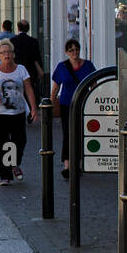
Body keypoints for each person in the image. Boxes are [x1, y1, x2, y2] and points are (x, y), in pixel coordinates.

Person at [0, 40, 37, 185]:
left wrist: (33, 108)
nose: (6, 55)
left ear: (14, 54)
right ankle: (5, 176)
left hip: (17, 112)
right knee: (1, 145)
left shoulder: (21, 69)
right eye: (3, 53)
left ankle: (14, 163)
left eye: (9, 52)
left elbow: (28, 89)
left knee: (20, 141)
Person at [51, 39, 96, 181]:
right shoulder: (62, 67)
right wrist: (51, 104)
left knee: (81, 133)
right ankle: (67, 165)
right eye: (71, 50)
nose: (74, 52)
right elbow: (55, 87)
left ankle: (78, 164)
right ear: (66, 52)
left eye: (76, 49)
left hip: (83, 104)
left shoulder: (88, 66)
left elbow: (94, 84)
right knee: (67, 134)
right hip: (66, 105)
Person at [10, 20, 45, 109]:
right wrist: (40, 70)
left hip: (16, 69)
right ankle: (30, 108)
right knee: (30, 89)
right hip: (30, 70)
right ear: (28, 29)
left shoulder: (12, 41)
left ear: (18, 28)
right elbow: (37, 58)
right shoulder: (33, 41)